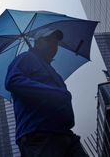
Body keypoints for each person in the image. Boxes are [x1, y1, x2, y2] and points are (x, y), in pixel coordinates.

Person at [5, 28, 88, 157]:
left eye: (55, 42)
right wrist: (53, 93)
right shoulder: (26, 58)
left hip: (65, 134)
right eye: (48, 40)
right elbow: (12, 81)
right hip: (40, 134)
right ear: (37, 43)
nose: (53, 44)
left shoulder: (53, 72)